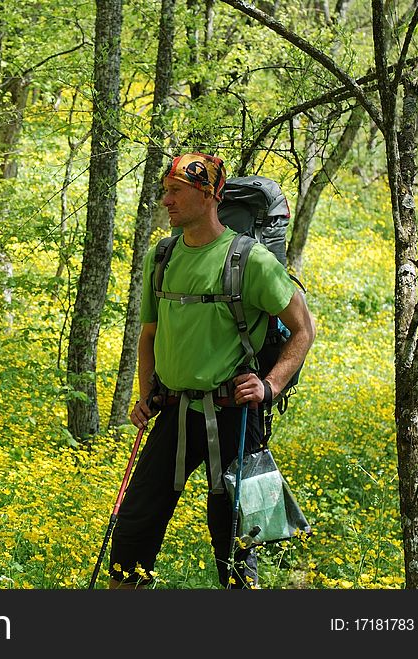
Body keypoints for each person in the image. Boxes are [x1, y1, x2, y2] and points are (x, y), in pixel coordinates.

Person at [108, 152, 316, 589]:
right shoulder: (161, 256)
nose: (165, 200)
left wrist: (270, 385)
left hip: (235, 415)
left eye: (175, 191)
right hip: (173, 411)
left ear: (209, 196)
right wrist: (145, 394)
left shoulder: (252, 261)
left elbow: (303, 329)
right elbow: (149, 335)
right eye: (165, 190)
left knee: (238, 539)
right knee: (133, 527)